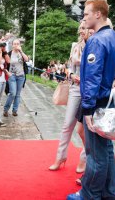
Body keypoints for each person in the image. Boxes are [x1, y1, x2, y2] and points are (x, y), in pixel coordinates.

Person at [67, 0, 115, 200]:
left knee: (96, 154)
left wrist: (87, 110)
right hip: (107, 100)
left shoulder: (96, 40)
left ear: (98, 14)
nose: (83, 17)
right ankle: (110, 193)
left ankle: (89, 194)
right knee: (107, 151)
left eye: (86, 14)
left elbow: (92, 78)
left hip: (97, 103)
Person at [49, 22, 89, 174]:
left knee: (84, 129)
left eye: (84, 28)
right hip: (75, 88)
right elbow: (69, 67)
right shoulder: (75, 46)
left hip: (90, 90)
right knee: (67, 125)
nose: (81, 31)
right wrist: (72, 75)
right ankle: (60, 157)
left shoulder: (94, 44)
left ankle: (84, 158)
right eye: (80, 28)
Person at [3, 38, 29, 117]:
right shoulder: (9, 53)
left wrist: (21, 51)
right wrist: (7, 73)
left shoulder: (21, 53)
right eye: (15, 44)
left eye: (18, 44)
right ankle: (6, 109)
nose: (16, 45)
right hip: (12, 75)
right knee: (12, 93)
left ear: (20, 45)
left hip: (21, 76)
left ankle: (15, 110)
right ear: (12, 45)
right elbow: (4, 65)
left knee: (17, 94)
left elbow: (27, 59)